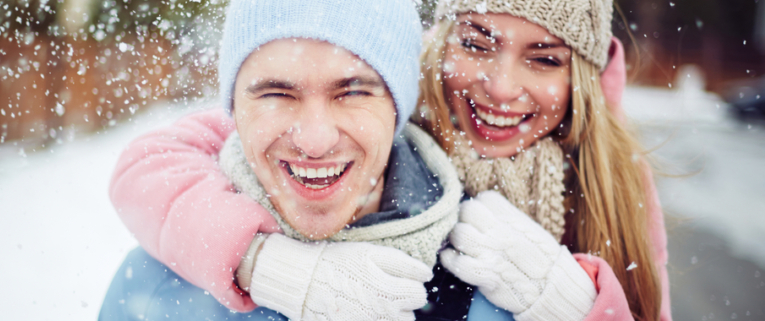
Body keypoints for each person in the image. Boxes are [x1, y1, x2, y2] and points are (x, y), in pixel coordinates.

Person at [100, 0, 503, 320]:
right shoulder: (159, 291)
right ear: (234, 111)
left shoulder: (489, 282)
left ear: (398, 109)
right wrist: (259, 263)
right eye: (276, 94)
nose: (314, 141)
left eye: (352, 92)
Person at [417, 0, 672, 320]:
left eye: (544, 59)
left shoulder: (615, 180)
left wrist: (571, 303)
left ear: (581, 80)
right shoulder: (372, 150)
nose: (500, 88)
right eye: (475, 44)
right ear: (441, 43)